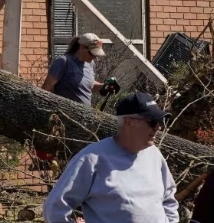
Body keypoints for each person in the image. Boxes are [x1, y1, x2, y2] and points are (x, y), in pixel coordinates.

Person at [42, 92, 178, 223]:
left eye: (160, 121)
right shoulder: (92, 159)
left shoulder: (154, 155)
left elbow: (169, 198)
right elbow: (55, 208)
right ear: (129, 122)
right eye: (152, 122)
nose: (158, 127)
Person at [42, 33, 119, 106]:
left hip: (85, 116)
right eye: (92, 53)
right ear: (82, 47)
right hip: (64, 115)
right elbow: (46, 89)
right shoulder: (63, 62)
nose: (95, 57)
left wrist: (105, 86)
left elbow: (88, 84)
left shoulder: (90, 64)